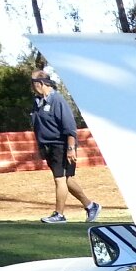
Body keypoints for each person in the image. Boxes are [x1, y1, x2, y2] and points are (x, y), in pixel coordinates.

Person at [29, 70, 99, 224]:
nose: (32, 86)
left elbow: (70, 127)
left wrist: (70, 149)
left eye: (33, 83)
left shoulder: (57, 100)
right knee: (67, 180)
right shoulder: (38, 102)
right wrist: (40, 147)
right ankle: (91, 206)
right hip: (48, 146)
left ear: (40, 83)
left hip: (61, 145)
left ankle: (59, 215)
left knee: (59, 179)